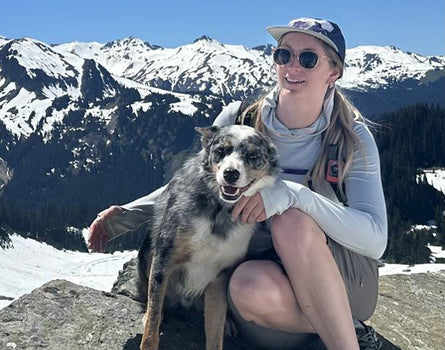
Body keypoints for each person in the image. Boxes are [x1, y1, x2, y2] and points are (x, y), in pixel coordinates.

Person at [88, 17, 387, 350]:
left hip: (343, 283)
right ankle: (338, 327)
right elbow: (192, 184)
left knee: (291, 222)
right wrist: (127, 215)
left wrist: (294, 196)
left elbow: (375, 241)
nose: (292, 66)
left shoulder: (352, 139)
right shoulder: (239, 119)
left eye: (308, 58)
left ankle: (345, 338)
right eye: (283, 54)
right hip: (271, 299)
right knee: (243, 284)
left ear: (334, 72)